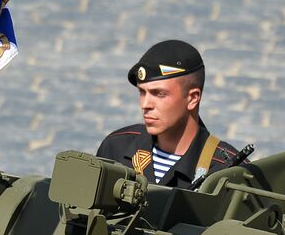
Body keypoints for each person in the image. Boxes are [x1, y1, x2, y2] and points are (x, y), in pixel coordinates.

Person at [96, 39, 246, 190]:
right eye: (142, 92)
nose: (145, 104)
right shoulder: (117, 148)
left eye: (159, 94)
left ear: (193, 98)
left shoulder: (227, 172)